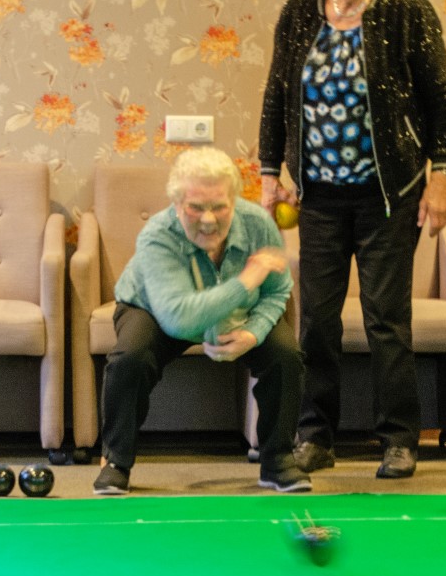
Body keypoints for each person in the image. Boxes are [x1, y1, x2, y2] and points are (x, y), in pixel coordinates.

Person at [258, 0, 446, 480]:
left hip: (389, 197)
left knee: (386, 319)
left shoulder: (407, 11)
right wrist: (268, 172)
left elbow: (443, 100)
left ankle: (398, 439)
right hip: (317, 199)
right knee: (316, 321)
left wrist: (442, 176)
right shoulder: (298, 13)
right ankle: (315, 436)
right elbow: (276, 95)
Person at [92, 147, 310, 496]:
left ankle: (278, 461)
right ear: (177, 204)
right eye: (196, 207)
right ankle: (116, 462)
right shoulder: (157, 235)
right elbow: (178, 319)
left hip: (239, 314)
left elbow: (277, 290)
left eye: (220, 207)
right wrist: (246, 281)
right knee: (130, 358)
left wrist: (253, 334)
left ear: (234, 201)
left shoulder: (258, 224)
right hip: (155, 309)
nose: (208, 220)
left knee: (285, 356)